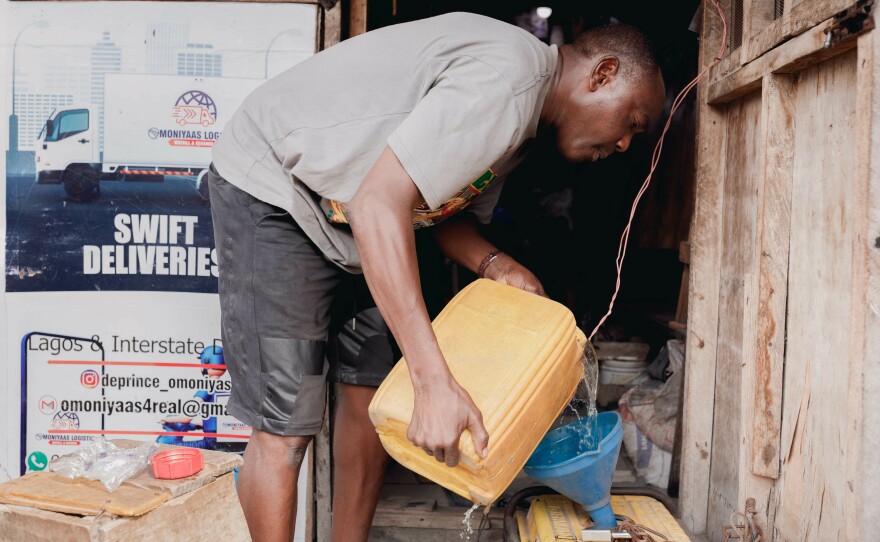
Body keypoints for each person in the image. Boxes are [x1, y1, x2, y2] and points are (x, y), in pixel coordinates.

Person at [208, 12, 664, 542]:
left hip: (355, 218)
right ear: (603, 74)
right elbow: (379, 202)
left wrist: (496, 265)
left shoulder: (521, 128)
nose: (628, 145)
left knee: (373, 396)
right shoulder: (507, 79)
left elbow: (443, 215)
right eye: (632, 121)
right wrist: (434, 383)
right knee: (284, 427)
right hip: (281, 193)